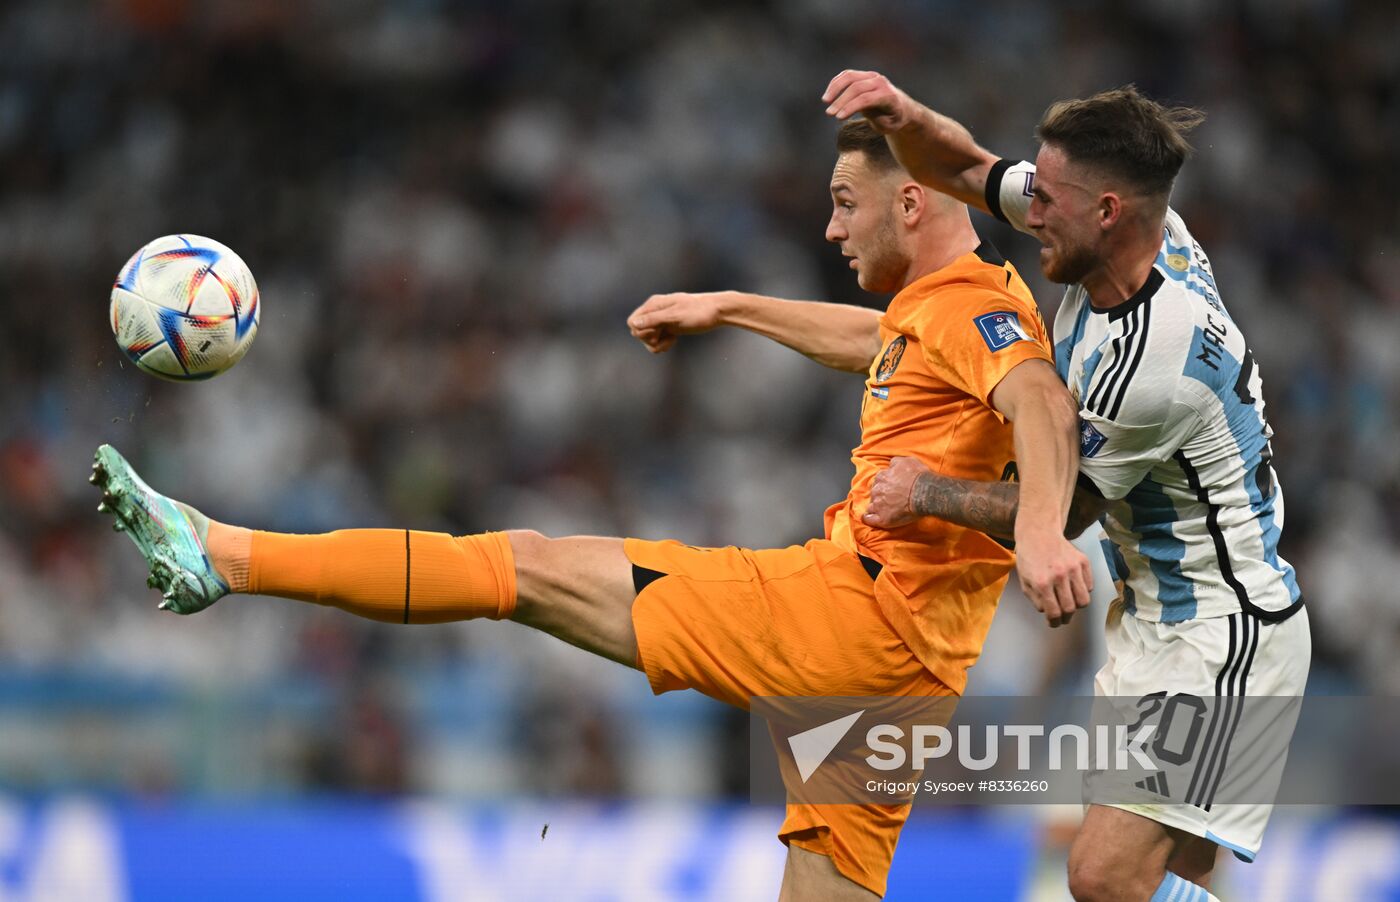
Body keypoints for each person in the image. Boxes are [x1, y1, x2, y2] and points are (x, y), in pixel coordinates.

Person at [91, 118, 1088, 900]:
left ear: (911, 201)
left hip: (851, 613)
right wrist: (731, 307)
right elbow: (879, 338)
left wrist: (1037, 528)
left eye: (844, 204)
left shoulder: (967, 305)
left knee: (522, 565)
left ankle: (222, 551)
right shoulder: (950, 304)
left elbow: (1039, 398)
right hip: (909, 672)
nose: (830, 227)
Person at [825, 70, 1310, 902]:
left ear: (1107, 211)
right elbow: (969, 168)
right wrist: (905, 117)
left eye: (1046, 201)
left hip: (1220, 632)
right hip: (1157, 621)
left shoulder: (1151, 362)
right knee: (1165, 881)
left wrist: (927, 491)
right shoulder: (1116, 229)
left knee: (1102, 879)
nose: (1027, 212)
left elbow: (1062, 510)